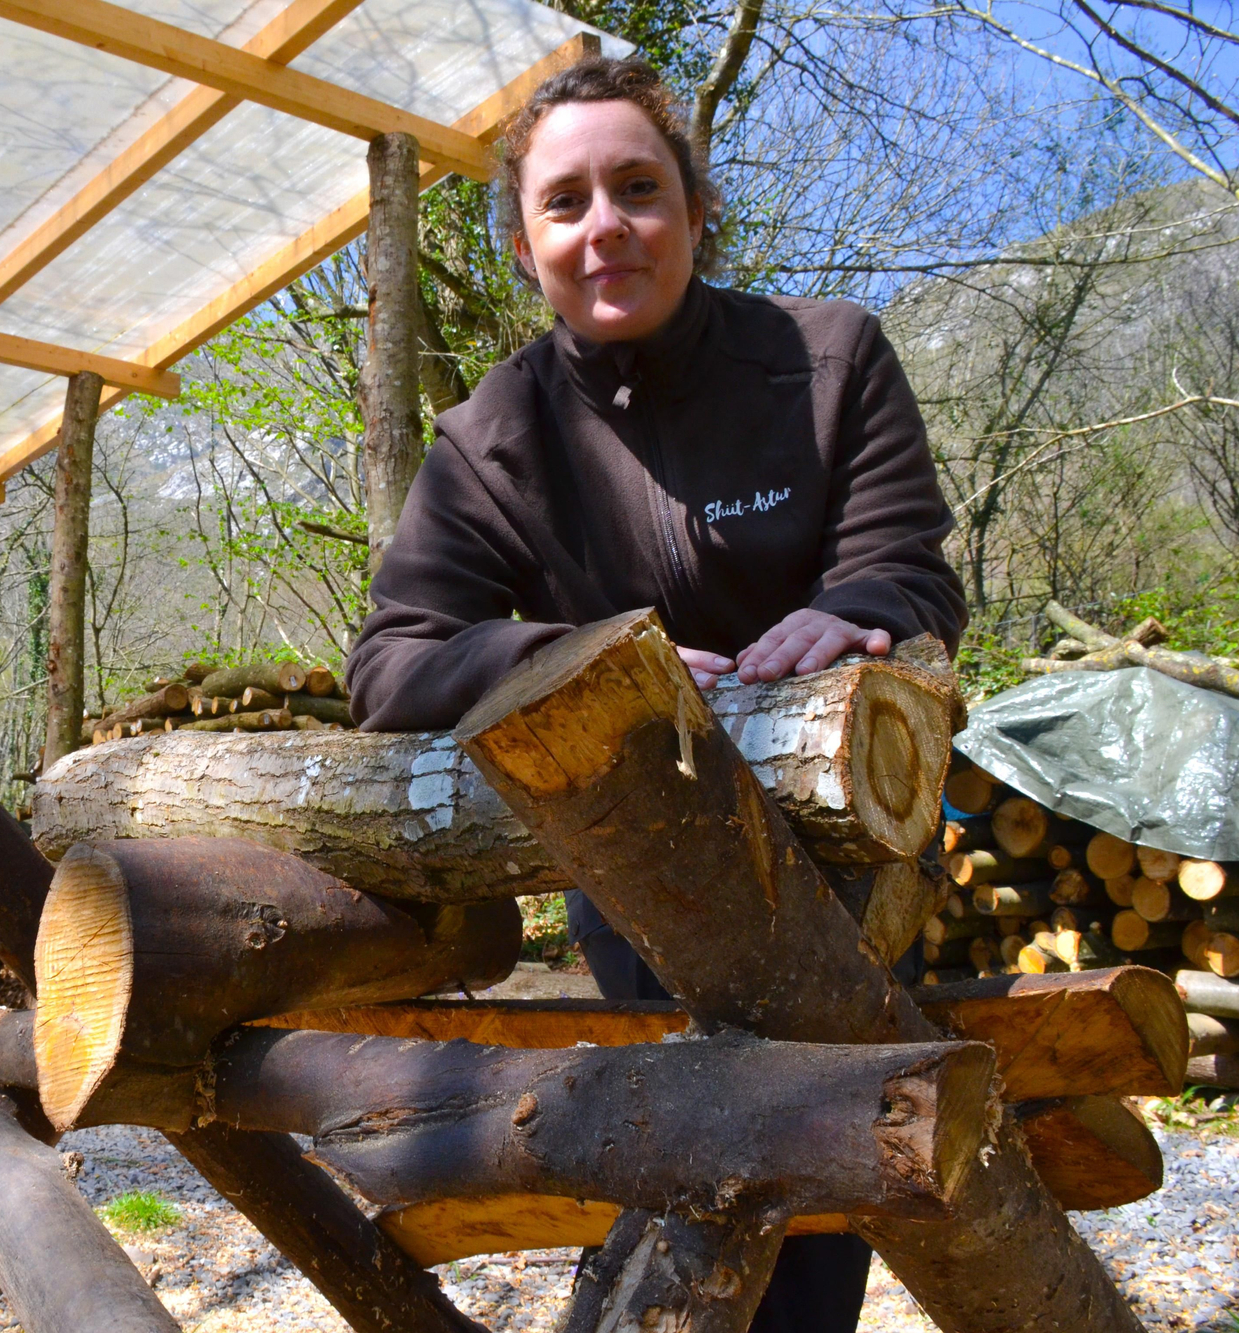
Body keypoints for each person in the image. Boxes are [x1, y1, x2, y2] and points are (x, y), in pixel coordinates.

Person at [345, 55, 967, 1333]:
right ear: (526, 244)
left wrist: (856, 612)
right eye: (562, 202)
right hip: (638, 873)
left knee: (818, 1188)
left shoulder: (829, 357)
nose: (603, 225)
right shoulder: (490, 434)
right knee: (686, 1167)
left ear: (695, 210)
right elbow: (390, 662)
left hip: (854, 843)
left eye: (636, 188)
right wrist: (570, 657)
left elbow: (905, 563)